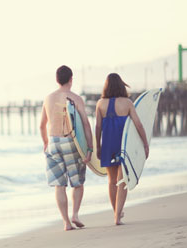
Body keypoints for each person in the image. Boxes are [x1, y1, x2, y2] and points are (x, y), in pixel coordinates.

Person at [40, 65, 93, 231]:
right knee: (77, 183)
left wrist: (45, 143)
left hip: (53, 142)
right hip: (71, 141)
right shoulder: (76, 99)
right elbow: (85, 124)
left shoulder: (48, 99)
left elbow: (42, 125)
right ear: (71, 79)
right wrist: (89, 148)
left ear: (57, 80)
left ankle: (66, 223)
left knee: (59, 185)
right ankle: (75, 215)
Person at [95, 73, 149, 226]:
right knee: (122, 180)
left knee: (112, 181)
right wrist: (145, 143)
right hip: (124, 145)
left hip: (108, 144)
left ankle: (116, 214)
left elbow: (98, 127)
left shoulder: (100, 104)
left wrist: (98, 146)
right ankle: (117, 216)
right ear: (121, 85)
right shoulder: (127, 103)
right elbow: (138, 125)